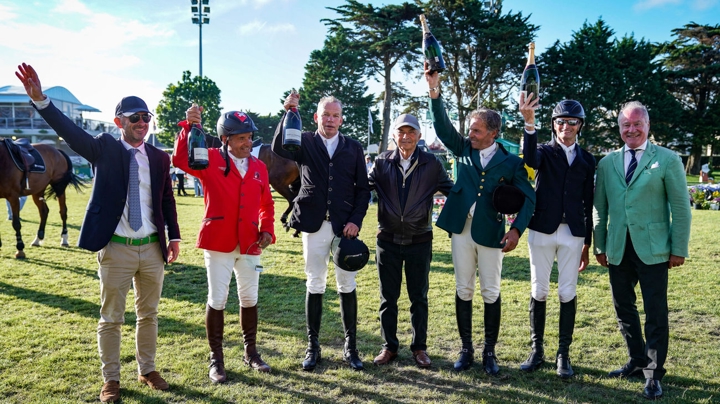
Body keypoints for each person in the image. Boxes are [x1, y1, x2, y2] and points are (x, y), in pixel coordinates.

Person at [16, 63, 180, 403]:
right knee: (111, 318)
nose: (142, 123)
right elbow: (71, 131)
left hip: (152, 248)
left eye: (146, 117)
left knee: (149, 315)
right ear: (120, 121)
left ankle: (147, 369)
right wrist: (41, 101)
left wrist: (174, 236)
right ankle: (112, 380)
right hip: (116, 248)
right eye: (134, 117)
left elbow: (166, 199)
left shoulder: (159, 158)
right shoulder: (104, 147)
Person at [424, 63, 536, 375]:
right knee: (463, 289)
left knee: (491, 290)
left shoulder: (511, 162)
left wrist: (515, 231)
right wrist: (435, 91)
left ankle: (489, 352)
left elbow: (530, 198)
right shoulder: (463, 148)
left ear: (493, 133)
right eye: (470, 128)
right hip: (461, 229)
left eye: (476, 130)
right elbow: (442, 125)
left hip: (492, 233)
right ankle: (466, 349)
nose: (470, 134)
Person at [593, 101, 691, 400]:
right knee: (624, 310)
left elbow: (680, 208)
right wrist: (599, 244)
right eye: (626, 124)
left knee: (655, 312)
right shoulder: (607, 163)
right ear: (619, 128)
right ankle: (635, 362)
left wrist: (679, 248)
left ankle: (652, 373)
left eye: (637, 124)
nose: (631, 129)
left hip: (654, 249)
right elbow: (600, 208)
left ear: (648, 125)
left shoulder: (667, 158)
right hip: (617, 248)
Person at [173, 105, 275, 382]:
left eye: (250, 136)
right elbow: (180, 160)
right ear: (225, 139)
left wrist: (267, 228)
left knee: (249, 298)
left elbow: (267, 203)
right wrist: (187, 127)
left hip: (251, 243)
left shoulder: (259, 166)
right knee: (217, 300)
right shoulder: (209, 159)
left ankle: (251, 352)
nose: (248, 142)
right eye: (241, 137)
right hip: (218, 241)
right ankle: (216, 360)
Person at [271, 92, 370, 371]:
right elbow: (279, 146)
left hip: (344, 228)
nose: (330, 119)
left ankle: (350, 347)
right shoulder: (303, 141)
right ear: (316, 117)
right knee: (315, 283)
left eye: (335, 115)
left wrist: (356, 221)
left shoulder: (353, 147)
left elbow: (363, 190)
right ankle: (313, 346)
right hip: (313, 225)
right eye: (325, 114)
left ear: (341, 119)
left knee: (347, 285)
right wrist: (288, 111)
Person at [518, 94, 596, 378]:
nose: (566, 126)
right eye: (561, 122)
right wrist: (529, 124)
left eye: (572, 122)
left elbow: (589, 201)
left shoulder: (588, 159)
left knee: (567, 292)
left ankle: (563, 353)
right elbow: (528, 158)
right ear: (553, 125)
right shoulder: (542, 151)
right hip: (542, 229)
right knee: (539, 290)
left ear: (579, 125)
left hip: (573, 233)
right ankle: (537, 351)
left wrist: (587, 242)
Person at [368, 114, 453, 369]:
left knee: (419, 297)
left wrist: (458, 222)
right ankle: (389, 347)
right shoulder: (382, 162)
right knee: (388, 298)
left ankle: (419, 348)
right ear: (394, 135)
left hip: (420, 239)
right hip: (388, 239)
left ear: (419, 135)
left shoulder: (432, 163)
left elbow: (453, 192)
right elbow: (363, 189)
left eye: (411, 131)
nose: (406, 136)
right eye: (401, 131)